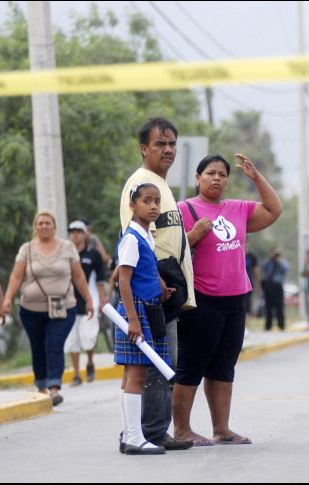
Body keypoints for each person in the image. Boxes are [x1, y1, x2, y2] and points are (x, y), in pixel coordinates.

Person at [173, 153, 282, 446]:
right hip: (201, 300)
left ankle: (222, 429)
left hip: (235, 299)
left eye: (222, 174)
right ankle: (182, 429)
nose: (217, 178)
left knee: (223, 366)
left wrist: (256, 177)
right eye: (210, 173)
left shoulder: (239, 209)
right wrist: (194, 234)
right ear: (198, 178)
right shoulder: (184, 208)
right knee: (191, 365)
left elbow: (273, 209)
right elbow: (168, 248)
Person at [117, 118, 195, 451]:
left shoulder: (161, 186)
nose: (168, 150)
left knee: (162, 364)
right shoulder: (140, 183)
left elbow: (158, 239)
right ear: (144, 148)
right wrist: (141, 304)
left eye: (172, 143)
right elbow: (131, 254)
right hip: (145, 297)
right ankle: (146, 432)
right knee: (152, 367)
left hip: (161, 290)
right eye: (160, 144)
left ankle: (153, 430)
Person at [0, 211, 94, 406]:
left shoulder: (67, 248)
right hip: (31, 309)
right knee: (38, 346)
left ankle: (54, 387)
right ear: (35, 226)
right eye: (40, 223)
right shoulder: (26, 249)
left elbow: (78, 276)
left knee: (54, 343)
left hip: (63, 307)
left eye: (47, 223)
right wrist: (7, 299)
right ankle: (41, 384)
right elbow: (16, 277)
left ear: (54, 226)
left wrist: (89, 299)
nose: (44, 226)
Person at [115, 183, 175, 455]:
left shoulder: (146, 236)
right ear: (132, 206)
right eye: (146, 201)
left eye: (156, 201)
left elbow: (140, 272)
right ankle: (135, 437)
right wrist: (132, 319)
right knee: (137, 373)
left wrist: (159, 286)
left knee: (132, 373)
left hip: (148, 306)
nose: (153, 206)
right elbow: (123, 281)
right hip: (137, 310)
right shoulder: (131, 238)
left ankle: (130, 435)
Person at [64, 220, 107, 386]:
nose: (75, 234)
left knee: (88, 336)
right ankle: (76, 374)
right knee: (71, 337)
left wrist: (102, 300)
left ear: (85, 234)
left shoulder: (93, 254)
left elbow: (100, 280)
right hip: (69, 300)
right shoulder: (65, 254)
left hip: (90, 297)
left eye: (78, 231)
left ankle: (89, 361)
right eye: (72, 231)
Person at [261, 248, 289, 332]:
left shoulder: (282, 262)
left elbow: (285, 269)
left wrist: (278, 260)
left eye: (277, 254)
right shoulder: (268, 262)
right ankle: (268, 325)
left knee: (279, 306)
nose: (275, 256)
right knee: (268, 307)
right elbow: (263, 266)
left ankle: (281, 325)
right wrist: (271, 258)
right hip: (268, 285)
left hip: (277, 286)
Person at [244, 251, 261, 317]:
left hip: (248, 284)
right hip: (236, 285)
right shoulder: (234, 252)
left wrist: (258, 284)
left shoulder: (251, 256)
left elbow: (256, 270)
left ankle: (247, 321)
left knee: (247, 303)